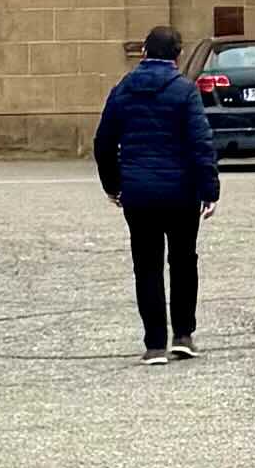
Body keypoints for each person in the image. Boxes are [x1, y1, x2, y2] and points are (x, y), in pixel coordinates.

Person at [93, 24, 222, 360]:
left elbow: (103, 143)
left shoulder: (122, 90)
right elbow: (200, 143)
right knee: (183, 261)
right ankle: (182, 334)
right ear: (178, 56)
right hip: (181, 192)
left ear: (145, 53)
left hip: (138, 192)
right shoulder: (184, 91)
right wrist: (209, 189)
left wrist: (113, 185)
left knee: (146, 266)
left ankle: (153, 344)